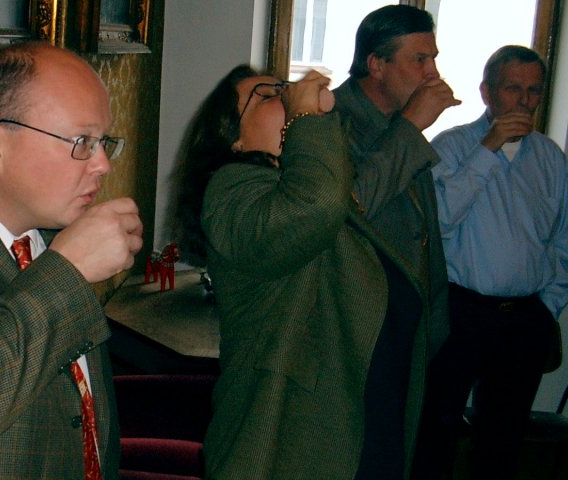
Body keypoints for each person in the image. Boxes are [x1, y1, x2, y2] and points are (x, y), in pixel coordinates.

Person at [172, 61, 440, 479]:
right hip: (293, 442)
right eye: (267, 95)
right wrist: (304, 117)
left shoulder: (304, 183)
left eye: (285, 88)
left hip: (359, 422)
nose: (285, 96)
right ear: (235, 139)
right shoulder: (230, 189)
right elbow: (315, 207)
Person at [0, 42, 143, 479]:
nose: (102, 164)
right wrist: (67, 273)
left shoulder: (47, 225)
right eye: (82, 141)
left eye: (104, 142)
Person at [410, 45, 566, 480]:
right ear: (486, 92)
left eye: (534, 91)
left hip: (526, 318)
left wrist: (549, 307)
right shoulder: (451, 146)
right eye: (513, 88)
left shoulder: (551, 158)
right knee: (436, 431)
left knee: (503, 439)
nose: (524, 101)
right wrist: (488, 149)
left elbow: (561, 239)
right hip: (461, 312)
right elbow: (437, 222)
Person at [333, 4, 458, 382]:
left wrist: (435, 320)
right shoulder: (330, 121)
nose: (432, 72)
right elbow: (349, 207)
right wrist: (412, 124)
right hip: (357, 333)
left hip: (409, 326)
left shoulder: (400, 123)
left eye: (433, 58)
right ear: (376, 64)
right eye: (419, 59)